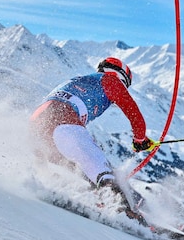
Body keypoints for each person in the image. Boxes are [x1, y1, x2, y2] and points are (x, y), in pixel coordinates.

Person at [29, 57, 156, 223]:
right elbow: (135, 115)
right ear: (122, 77)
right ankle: (125, 213)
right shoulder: (111, 81)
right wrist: (140, 140)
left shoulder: (81, 79)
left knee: (77, 169)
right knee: (100, 168)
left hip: (36, 123)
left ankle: (87, 196)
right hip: (64, 120)